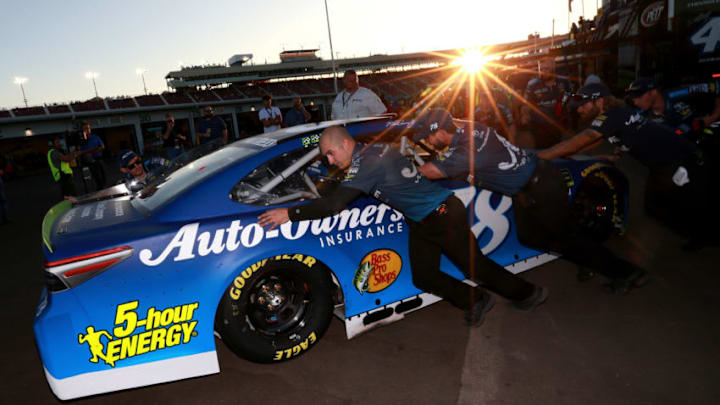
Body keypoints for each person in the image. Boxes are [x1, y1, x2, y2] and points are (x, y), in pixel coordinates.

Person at [258, 126, 548, 328]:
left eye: (332, 154)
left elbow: (335, 205)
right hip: (424, 219)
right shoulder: (375, 151)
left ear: (346, 144)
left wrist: (289, 212)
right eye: (327, 159)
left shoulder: (365, 164)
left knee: (476, 267)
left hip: (443, 214)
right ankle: (476, 300)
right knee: (424, 276)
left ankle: (529, 293)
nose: (331, 161)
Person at [414, 108, 648, 293]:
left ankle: (627, 273)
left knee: (568, 239)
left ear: (437, 131)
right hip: (530, 186)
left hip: (541, 186)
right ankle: (583, 256)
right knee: (530, 237)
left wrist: (401, 173)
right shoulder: (470, 128)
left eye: (427, 136)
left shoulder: (464, 150)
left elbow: (431, 171)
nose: (426, 141)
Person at [538, 83, 718, 251]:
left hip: (682, 161)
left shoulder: (611, 117)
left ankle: (705, 237)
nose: (579, 109)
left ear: (599, 101)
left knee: (688, 204)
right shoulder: (617, 114)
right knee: (655, 207)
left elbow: (577, 143)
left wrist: (536, 156)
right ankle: (700, 233)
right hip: (667, 164)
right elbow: (587, 145)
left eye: (583, 104)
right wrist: (607, 154)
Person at [626, 77, 720, 133]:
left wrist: (714, 116)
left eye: (639, 95)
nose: (635, 101)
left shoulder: (679, 93)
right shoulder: (639, 115)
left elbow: (716, 86)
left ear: (654, 92)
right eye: (633, 97)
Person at [520, 57, 573, 148]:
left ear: (553, 68)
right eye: (541, 69)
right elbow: (527, 104)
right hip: (540, 126)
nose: (543, 72)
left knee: (560, 150)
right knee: (543, 152)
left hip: (559, 124)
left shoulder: (563, 82)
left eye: (547, 69)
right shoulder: (533, 84)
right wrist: (525, 115)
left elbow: (570, 98)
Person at [78, 122, 106, 190]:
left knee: (104, 175)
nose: (87, 130)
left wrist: (91, 151)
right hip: (89, 162)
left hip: (99, 159)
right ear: (83, 130)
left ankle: (104, 188)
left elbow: (102, 147)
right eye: (85, 129)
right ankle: (99, 190)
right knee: (97, 178)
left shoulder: (95, 137)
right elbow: (80, 152)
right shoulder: (81, 141)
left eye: (88, 128)